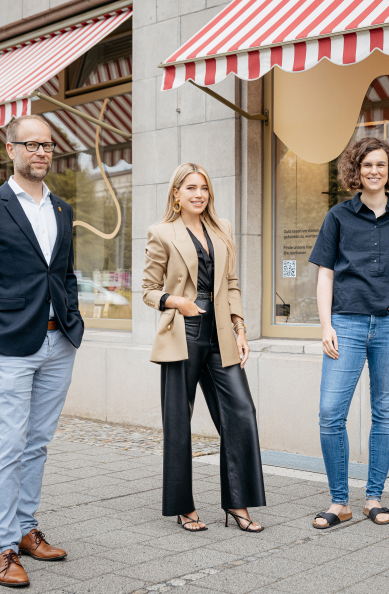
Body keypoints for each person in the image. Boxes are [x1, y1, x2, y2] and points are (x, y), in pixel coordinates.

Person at [0, 114, 84, 587]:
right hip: (9, 344)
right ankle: (3, 548)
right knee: (9, 444)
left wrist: (73, 318)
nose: (41, 152)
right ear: (9, 150)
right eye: (31, 145)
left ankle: (27, 529)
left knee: (38, 442)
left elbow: (64, 272)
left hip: (58, 341)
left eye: (48, 145)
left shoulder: (63, 209)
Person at [309, 137, 389, 529]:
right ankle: (339, 501)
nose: (374, 171)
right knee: (331, 413)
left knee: (384, 412)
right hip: (345, 323)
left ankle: (375, 497)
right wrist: (326, 323)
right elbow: (325, 274)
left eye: (380, 164)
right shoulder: (338, 216)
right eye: (366, 165)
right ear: (356, 171)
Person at [142, 163, 266, 533]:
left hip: (221, 337)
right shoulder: (161, 232)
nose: (199, 194)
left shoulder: (222, 229)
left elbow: (231, 283)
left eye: (204, 188)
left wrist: (241, 328)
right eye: (191, 188)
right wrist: (176, 302)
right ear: (176, 194)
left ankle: (237, 504)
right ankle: (184, 507)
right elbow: (148, 290)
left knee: (242, 414)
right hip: (184, 334)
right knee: (179, 424)